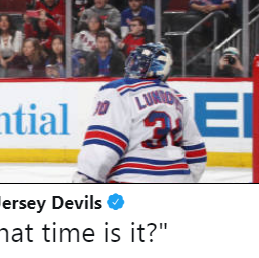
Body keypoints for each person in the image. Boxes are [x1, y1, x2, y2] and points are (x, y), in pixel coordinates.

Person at [74, 42, 206, 183]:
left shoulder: (118, 90)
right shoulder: (179, 99)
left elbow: (104, 146)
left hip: (132, 178)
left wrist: (86, 178)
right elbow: (196, 151)